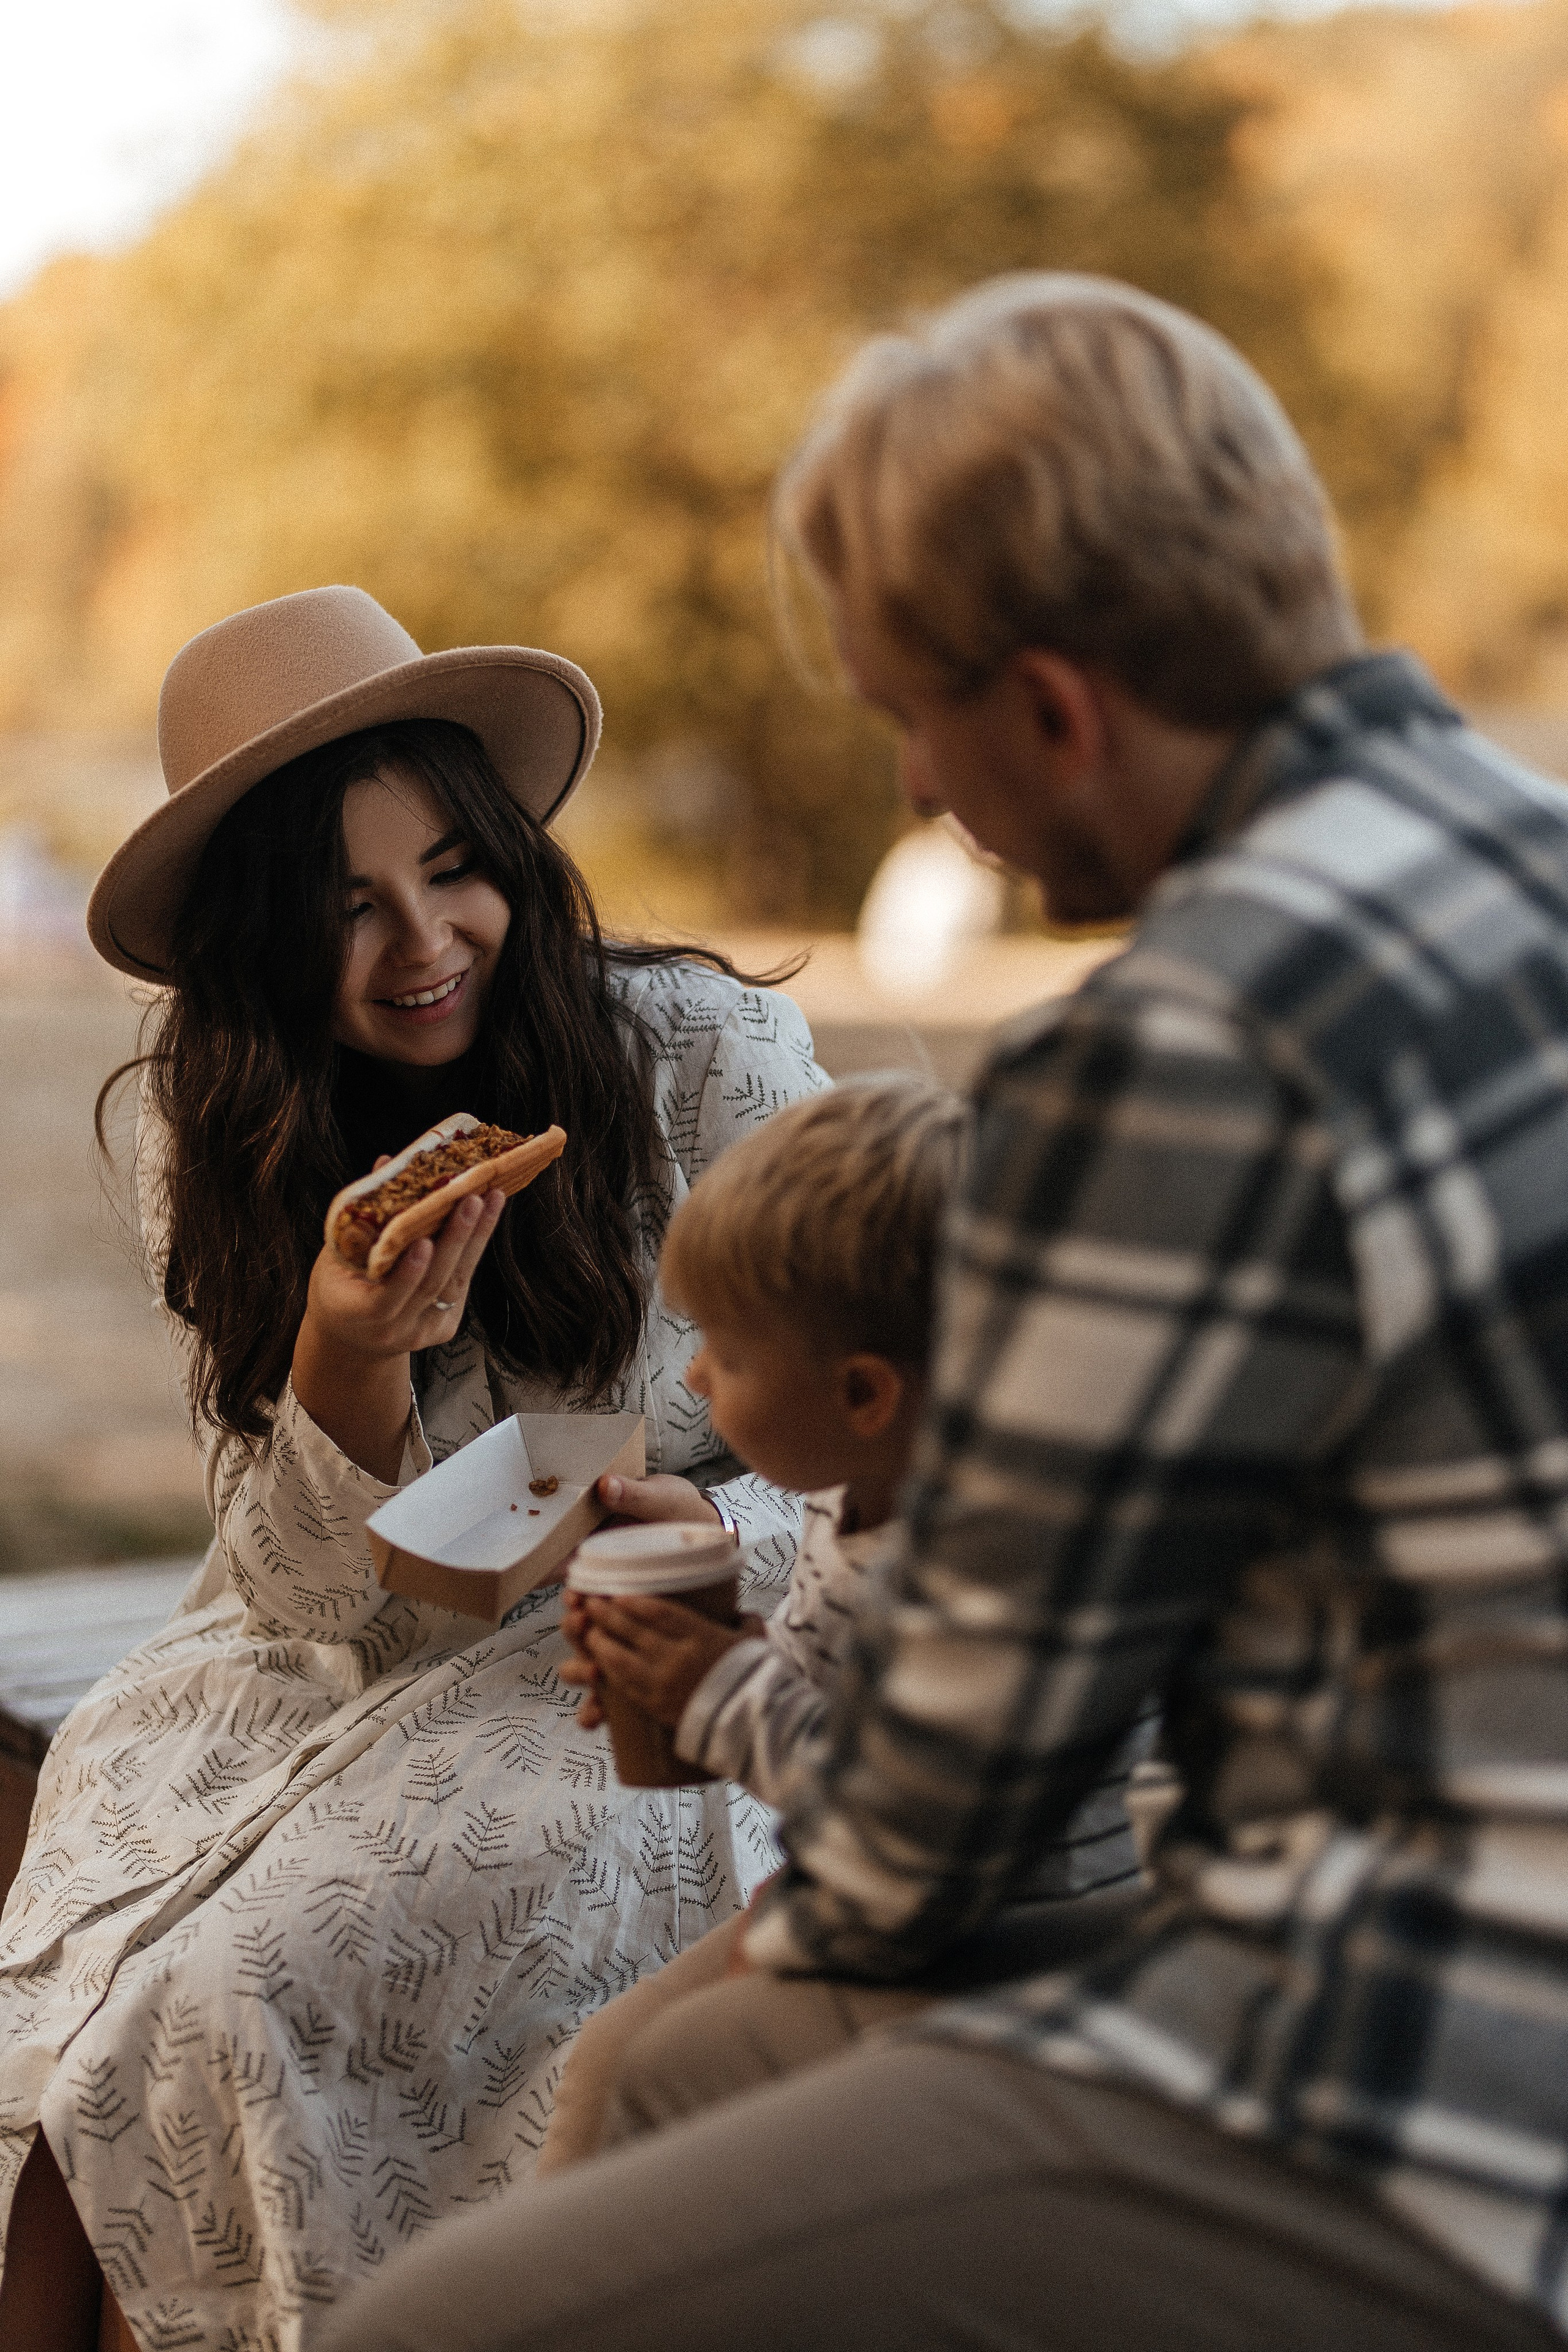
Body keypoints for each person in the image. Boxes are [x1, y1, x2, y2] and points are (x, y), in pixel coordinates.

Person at [319, 276, 1568, 2352]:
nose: (914, 784)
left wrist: (701, 1678)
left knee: (425, 2331)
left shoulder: (1176, 1056)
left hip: (1388, 2073)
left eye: (913, 714)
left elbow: (928, 1845)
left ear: (1060, 707)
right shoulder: (1526, 857)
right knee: (674, 2076)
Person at [0, 586, 827, 2351]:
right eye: (344, 908)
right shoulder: (218, 1133)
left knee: (234, 1993)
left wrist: (719, 1529)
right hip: (314, 1676)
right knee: (87, 2018)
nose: (425, 944)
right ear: (251, 946)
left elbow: (922, 1437)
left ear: (517, 853)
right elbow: (302, 1595)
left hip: (664, 1662)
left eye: (457, 870)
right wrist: (343, 1356)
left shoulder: (703, 1062)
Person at [536, 1076, 1153, 2173]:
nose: (694, 1372)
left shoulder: (1005, 1572)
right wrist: (695, 1674)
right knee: (611, 2065)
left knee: (633, 2079)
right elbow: (847, 1689)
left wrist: (723, 1694)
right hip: (868, 1906)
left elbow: (915, 1819)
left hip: (999, 1955)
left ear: (864, 1394)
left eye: (727, 1350)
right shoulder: (864, 1488)